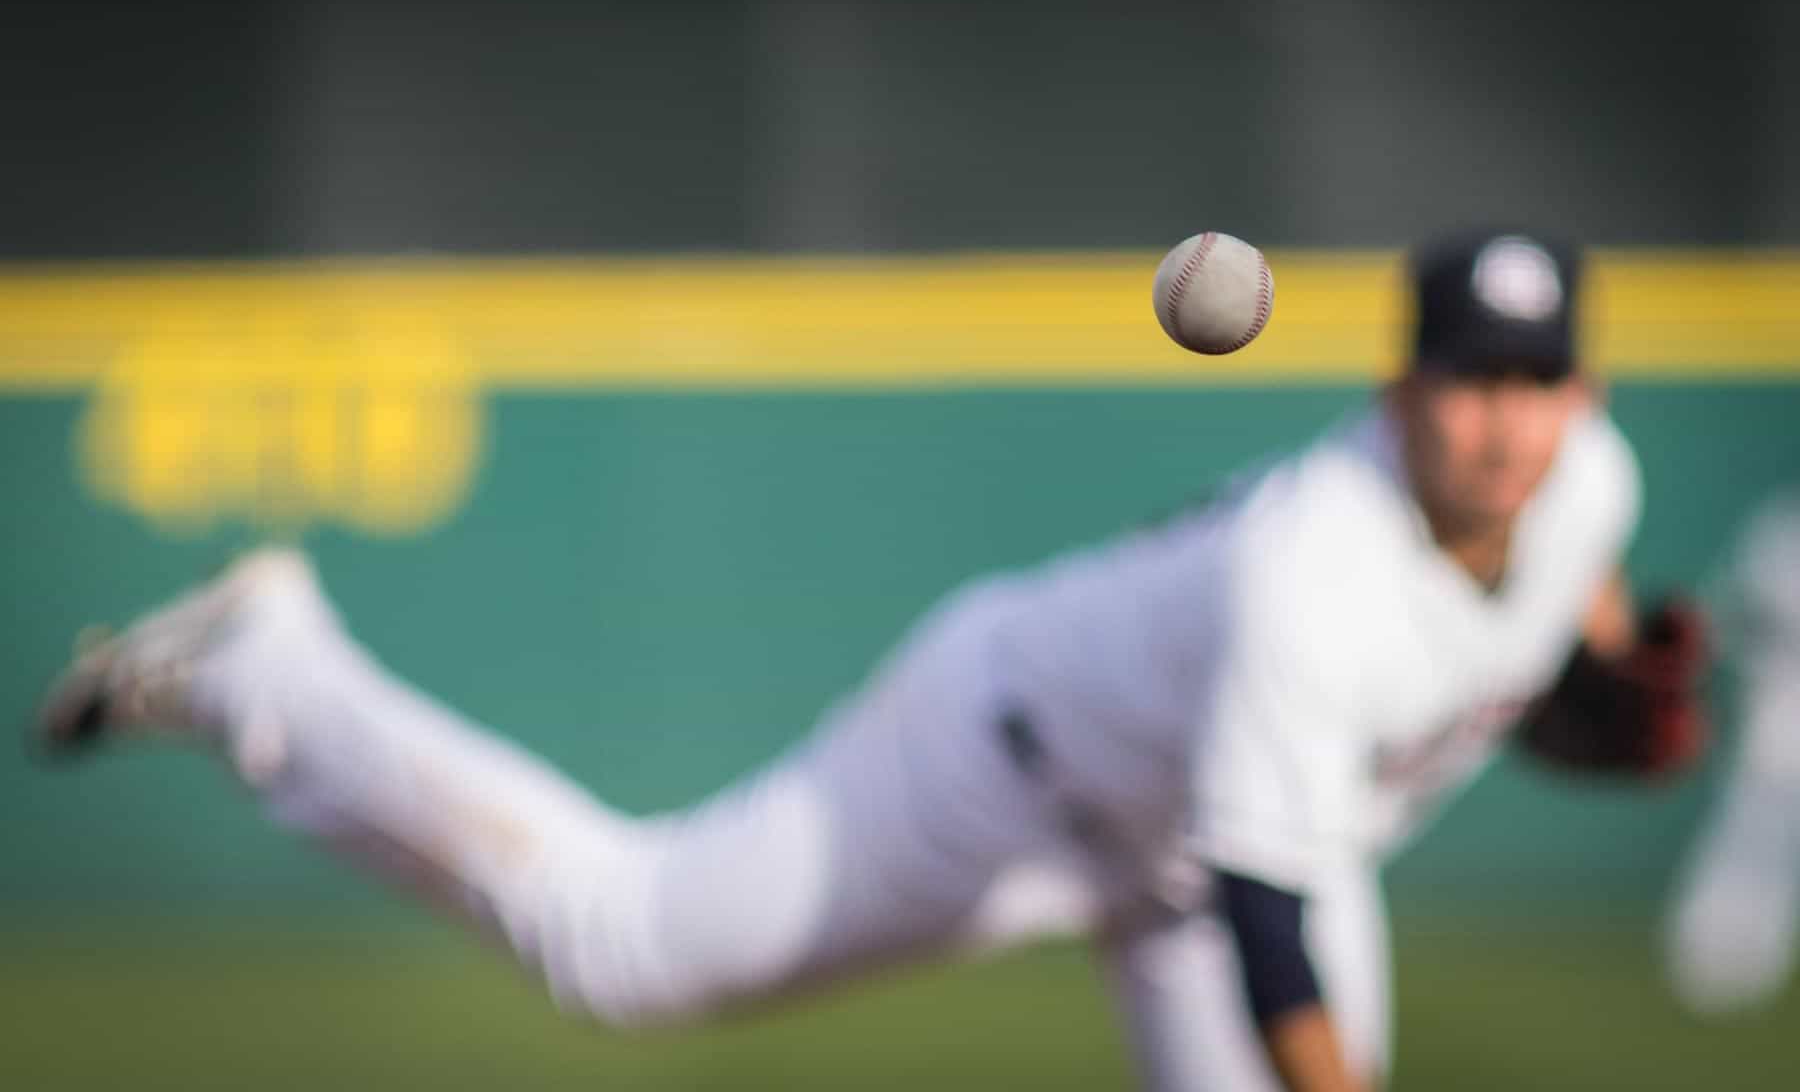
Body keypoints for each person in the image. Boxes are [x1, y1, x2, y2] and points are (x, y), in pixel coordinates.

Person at [35, 229, 1708, 1092]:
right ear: (1401, 387)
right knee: (622, 949)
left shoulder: (1590, 492)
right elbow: (1270, 923)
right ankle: (267, 671)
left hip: (1222, 843)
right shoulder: (1310, 573)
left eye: (1537, 380)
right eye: (1470, 379)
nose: (1505, 422)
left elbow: (1585, 601)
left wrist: (1601, 658)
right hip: (1008, 764)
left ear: (1583, 397)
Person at [1665, 489, 1800, 1014]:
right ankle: (1714, 957)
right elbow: (1730, 615)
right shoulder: (1782, 531)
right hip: (1781, 718)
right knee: (1751, 833)